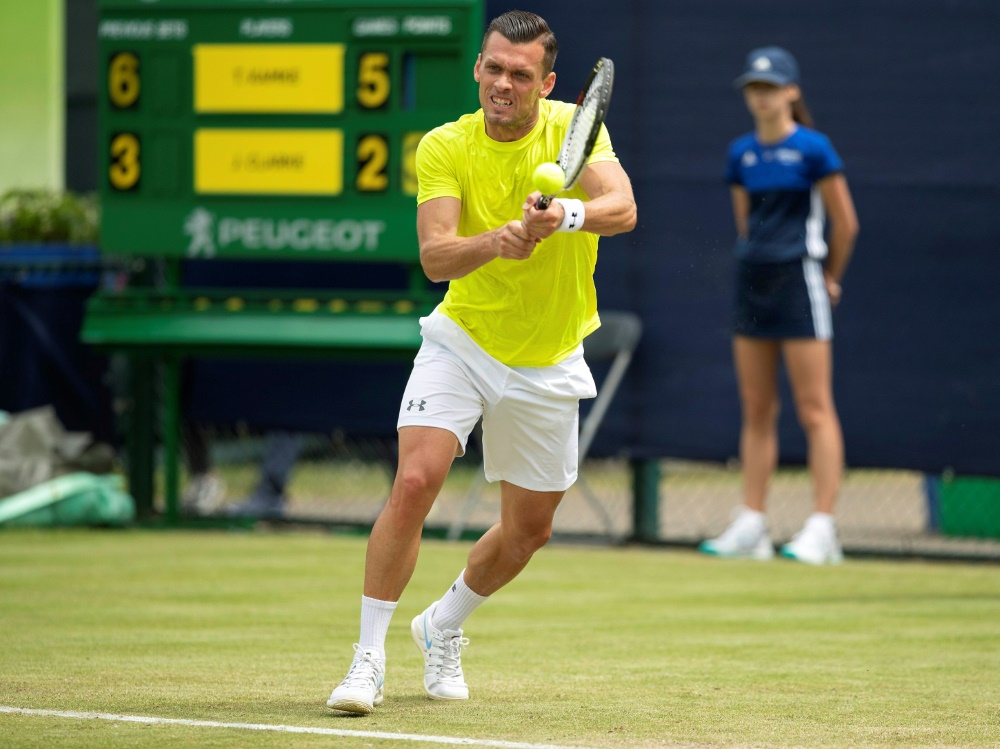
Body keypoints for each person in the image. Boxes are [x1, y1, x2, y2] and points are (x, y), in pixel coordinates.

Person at [326, 10, 636, 715]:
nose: (503, 83)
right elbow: (436, 256)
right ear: (477, 68)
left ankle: (442, 624)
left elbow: (621, 207)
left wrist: (565, 218)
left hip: (548, 358)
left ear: (546, 84)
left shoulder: (573, 129)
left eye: (520, 74)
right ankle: (367, 659)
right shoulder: (445, 145)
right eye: (493, 68)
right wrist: (499, 240)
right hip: (462, 342)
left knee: (528, 532)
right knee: (416, 480)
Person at [699, 47, 859, 565]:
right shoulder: (741, 154)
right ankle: (752, 524)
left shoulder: (814, 148)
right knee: (757, 408)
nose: (761, 96)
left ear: (792, 92)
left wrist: (829, 277)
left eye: (770, 87)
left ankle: (823, 528)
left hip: (800, 280)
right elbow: (745, 224)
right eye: (754, 88)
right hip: (752, 283)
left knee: (814, 408)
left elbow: (846, 224)